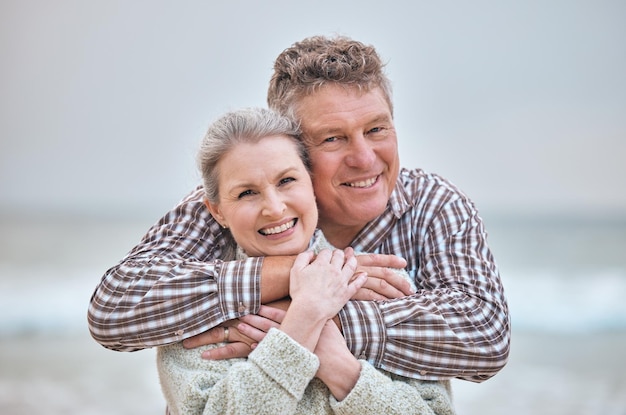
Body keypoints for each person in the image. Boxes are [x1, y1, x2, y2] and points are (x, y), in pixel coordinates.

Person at [88, 35, 510, 383]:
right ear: (293, 150)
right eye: (333, 138)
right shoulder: (237, 204)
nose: (364, 158)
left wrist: (317, 319)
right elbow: (115, 309)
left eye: (376, 129)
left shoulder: (433, 205)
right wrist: (299, 277)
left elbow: (485, 336)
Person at [157, 107, 454, 414]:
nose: (274, 208)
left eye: (286, 180)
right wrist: (303, 321)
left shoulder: (378, 283)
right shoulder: (195, 308)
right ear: (217, 210)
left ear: (311, 182)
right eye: (247, 193)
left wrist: (340, 367)